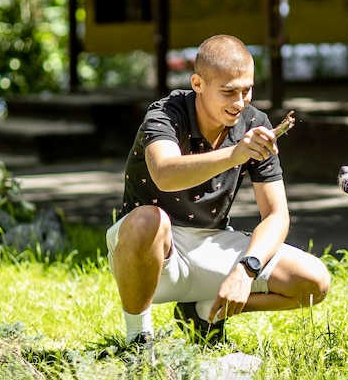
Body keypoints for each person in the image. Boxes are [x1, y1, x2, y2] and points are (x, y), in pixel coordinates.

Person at [105, 34, 331, 346]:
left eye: (246, 90)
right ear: (198, 83)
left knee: (314, 281)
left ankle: (204, 312)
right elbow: (165, 174)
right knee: (148, 219)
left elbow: (277, 216)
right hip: (151, 253)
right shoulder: (166, 114)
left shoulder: (254, 122)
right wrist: (235, 154)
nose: (240, 103)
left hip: (211, 243)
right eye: (228, 92)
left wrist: (247, 270)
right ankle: (139, 342)